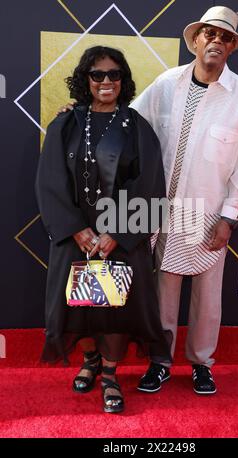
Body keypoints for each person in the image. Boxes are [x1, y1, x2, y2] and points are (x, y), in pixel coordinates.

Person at [130, 6, 238, 395]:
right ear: (196, 39)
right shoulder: (166, 84)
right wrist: (86, 118)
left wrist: (229, 217)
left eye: (225, 37)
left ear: (232, 47)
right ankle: (160, 362)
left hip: (209, 214)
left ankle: (202, 364)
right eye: (210, 34)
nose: (216, 42)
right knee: (163, 292)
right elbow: (131, 125)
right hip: (165, 212)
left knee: (207, 299)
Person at [35, 46, 171, 413]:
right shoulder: (66, 124)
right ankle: (90, 361)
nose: (106, 81)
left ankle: (110, 375)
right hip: (75, 235)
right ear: (86, 80)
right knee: (78, 306)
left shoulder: (138, 127)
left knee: (115, 309)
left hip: (121, 236)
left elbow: (150, 184)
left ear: (123, 80)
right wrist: (77, 229)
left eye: (114, 74)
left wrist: (118, 234)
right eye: (98, 75)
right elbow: (50, 180)